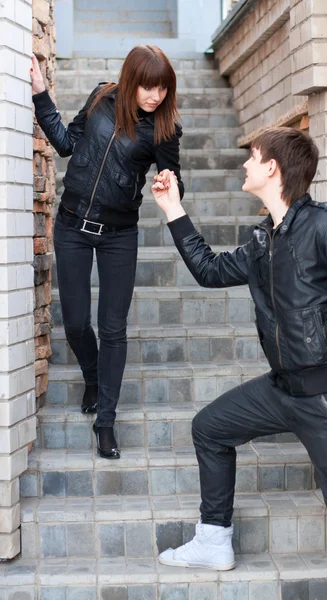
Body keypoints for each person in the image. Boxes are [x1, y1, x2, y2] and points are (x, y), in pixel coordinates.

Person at [152, 127, 327, 600]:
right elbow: (209, 271)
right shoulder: (264, 238)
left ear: (273, 168)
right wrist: (173, 210)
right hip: (283, 388)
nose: (245, 164)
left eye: (253, 157)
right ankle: (213, 541)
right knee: (210, 427)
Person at [31, 45, 184, 459]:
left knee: (113, 327)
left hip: (119, 234)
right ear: (132, 80)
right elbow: (66, 144)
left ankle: (106, 423)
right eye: (149, 87)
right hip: (72, 225)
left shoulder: (164, 128)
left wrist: (169, 185)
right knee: (77, 322)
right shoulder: (101, 97)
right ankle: (93, 377)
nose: (155, 96)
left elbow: (175, 181)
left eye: (163, 89)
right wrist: (40, 93)